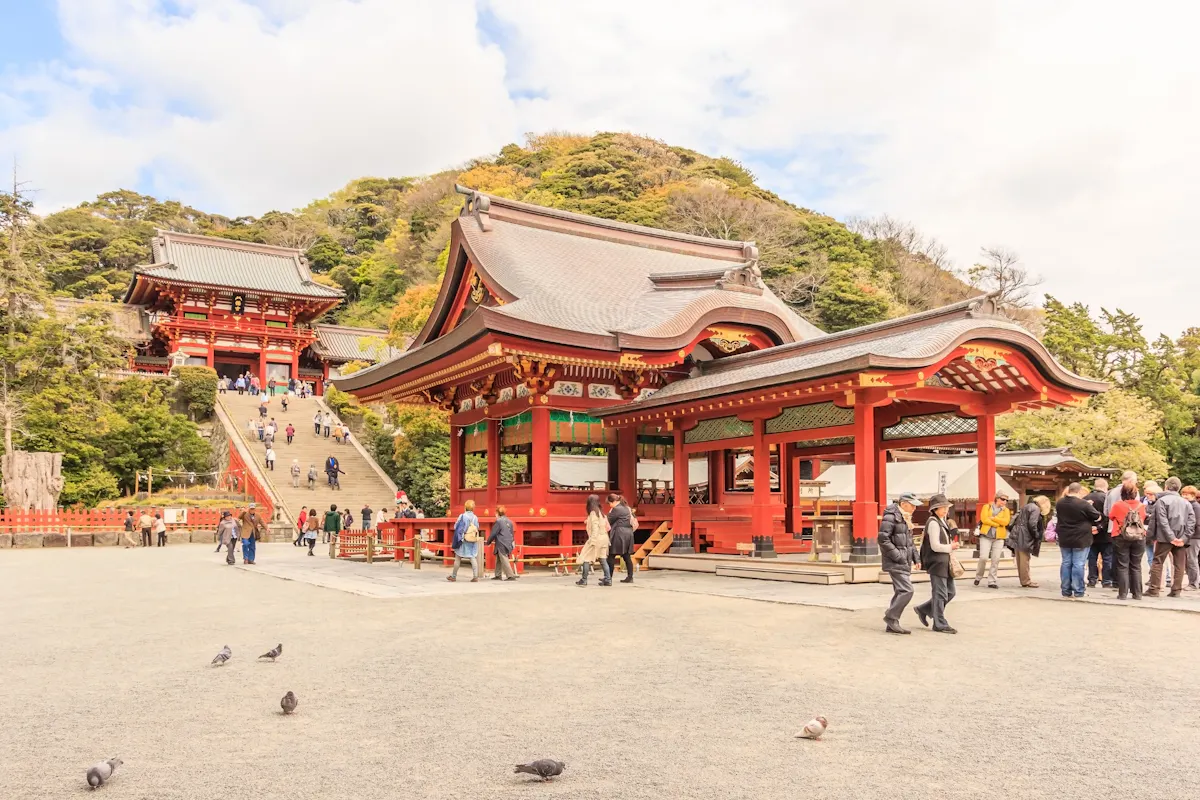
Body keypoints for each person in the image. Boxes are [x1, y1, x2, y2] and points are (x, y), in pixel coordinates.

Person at [914, 493, 959, 634]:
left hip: (944, 561)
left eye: (946, 507)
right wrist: (950, 547)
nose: (945, 509)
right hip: (937, 562)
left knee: (950, 592)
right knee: (940, 594)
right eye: (942, 507)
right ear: (935, 509)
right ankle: (939, 622)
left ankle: (924, 609)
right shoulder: (933, 523)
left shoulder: (942, 521)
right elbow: (935, 546)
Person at [877, 491, 920, 634]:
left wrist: (916, 558)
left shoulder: (905, 518)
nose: (914, 508)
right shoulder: (891, 517)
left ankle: (892, 623)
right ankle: (891, 617)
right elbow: (883, 539)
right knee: (907, 590)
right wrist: (898, 555)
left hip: (903, 559)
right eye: (912, 505)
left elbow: (910, 542)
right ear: (903, 504)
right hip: (896, 560)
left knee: (899, 591)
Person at [1147, 476, 1195, 598]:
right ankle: (1176, 590)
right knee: (1179, 565)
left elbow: (1162, 521)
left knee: (1158, 562)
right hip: (1181, 538)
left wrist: (1170, 537)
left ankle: (1154, 589)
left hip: (1164, 538)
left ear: (1166, 487)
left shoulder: (1161, 501)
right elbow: (1191, 522)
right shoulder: (1186, 503)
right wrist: (1184, 538)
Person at [1055, 482, 1104, 598]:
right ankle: (1078, 590)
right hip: (1081, 537)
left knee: (1066, 562)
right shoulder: (1083, 504)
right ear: (1079, 491)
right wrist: (1089, 506)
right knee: (1078, 564)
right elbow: (1097, 517)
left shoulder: (1059, 503)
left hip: (1065, 537)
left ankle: (1066, 590)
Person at [1110, 484, 1148, 600]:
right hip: (1139, 536)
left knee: (1122, 565)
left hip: (1121, 536)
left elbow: (1111, 517)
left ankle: (1122, 594)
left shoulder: (1117, 505)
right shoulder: (1141, 506)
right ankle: (1137, 593)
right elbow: (1143, 517)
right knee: (1136, 565)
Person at [1007, 495, 1050, 588]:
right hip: (1025, 536)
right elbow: (1032, 523)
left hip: (1017, 534)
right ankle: (1026, 581)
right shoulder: (1036, 509)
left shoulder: (1026, 506)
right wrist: (1036, 535)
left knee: (1019, 559)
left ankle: (1023, 580)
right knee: (1025, 560)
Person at [974, 491, 1012, 589]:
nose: (1004, 501)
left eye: (1006, 500)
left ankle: (992, 580)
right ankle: (978, 576)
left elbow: (1006, 522)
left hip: (998, 537)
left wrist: (994, 518)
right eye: (1003, 499)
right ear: (997, 498)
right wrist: (996, 524)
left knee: (996, 559)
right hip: (986, 536)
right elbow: (984, 519)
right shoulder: (987, 507)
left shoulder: (1006, 510)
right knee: (983, 557)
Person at [576, 494, 611, 586]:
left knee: (586, 558)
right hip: (604, 538)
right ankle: (608, 579)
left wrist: (592, 541)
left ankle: (584, 580)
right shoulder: (600, 512)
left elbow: (595, 528)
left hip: (597, 538)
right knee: (603, 558)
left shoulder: (593, 513)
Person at [1085, 478, 1113, 588]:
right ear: (1105, 487)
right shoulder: (1106, 498)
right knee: (1107, 558)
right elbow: (1108, 516)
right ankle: (1106, 581)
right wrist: (1099, 527)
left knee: (1092, 558)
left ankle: (1092, 579)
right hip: (1105, 534)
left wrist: (1091, 527)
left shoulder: (1085, 498)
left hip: (1089, 533)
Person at [605, 493, 636, 583]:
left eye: (610, 503)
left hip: (619, 533)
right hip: (628, 533)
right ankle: (630, 577)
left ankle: (608, 577)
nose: (609, 505)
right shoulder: (627, 508)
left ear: (614, 501)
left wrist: (609, 512)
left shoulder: (616, 509)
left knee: (611, 555)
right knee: (627, 556)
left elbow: (608, 520)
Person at [448, 499, 481, 582]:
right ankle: (475, 576)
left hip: (463, 539)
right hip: (472, 539)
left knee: (458, 557)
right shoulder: (475, 517)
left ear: (465, 507)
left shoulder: (462, 516)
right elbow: (477, 527)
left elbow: (456, 527)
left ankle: (454, 576)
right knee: (472, 557)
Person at [487, 505, 518, 581]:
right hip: (508, 542)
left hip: (501, 542)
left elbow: (493, 533)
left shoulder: (499, 521)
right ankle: (498, 575)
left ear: (497, 513)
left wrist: (488, 542)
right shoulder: (509, 521)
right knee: (499, 558)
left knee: (504, 559)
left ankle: (510, 575)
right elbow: (511, 533)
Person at [1184, 485, 1200, 590]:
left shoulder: (1195, 507)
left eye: (1187, 494)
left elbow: (1196, 523)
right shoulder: (1190, 505)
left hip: (1194, 537)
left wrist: (1188, 535)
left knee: (1191, 560)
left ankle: (1193, 583)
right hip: (1193, 536)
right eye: (1183, 494)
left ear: (1193, 495)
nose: (1184, 496)